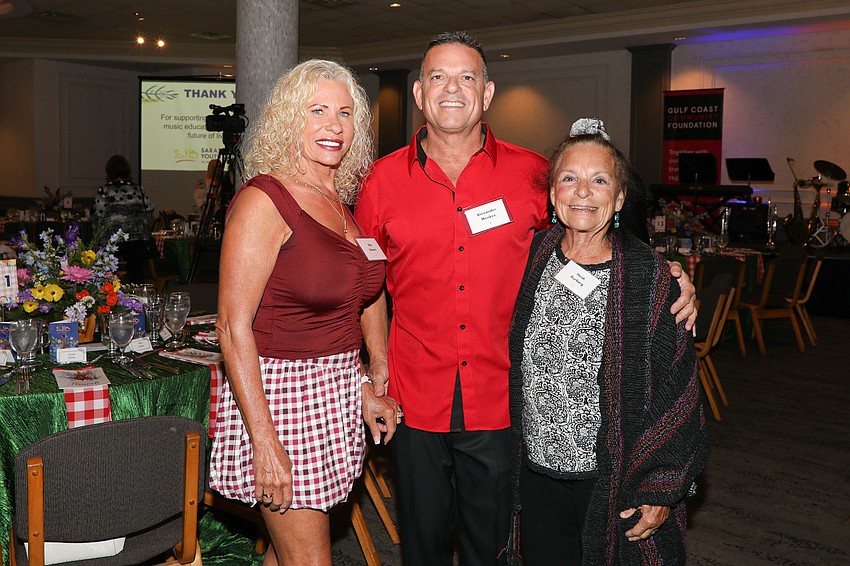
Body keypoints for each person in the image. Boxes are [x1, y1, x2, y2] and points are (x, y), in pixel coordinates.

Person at [355, 32, 697, 565]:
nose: (453, 89)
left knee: (492, 548)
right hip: (414, 394)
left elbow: (589, 225)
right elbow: (366, 282)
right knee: (419, 547)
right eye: (438, 77)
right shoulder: (380, 181)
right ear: (419, 93)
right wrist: (376, 360)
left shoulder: (531, 174)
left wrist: (667, 275)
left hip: (504, 402)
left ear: (487, 93)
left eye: (467, 77)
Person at [209, 60, 401, 565]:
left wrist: (368, 377)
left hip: (334, 396)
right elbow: (231, 328)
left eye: (344, 113)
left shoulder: (339, 202)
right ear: (290, 118)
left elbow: (360, 295)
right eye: (317, 111)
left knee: (287, 552)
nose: (333, 125)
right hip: (279, 400)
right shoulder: (264, 199)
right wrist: (264, 442)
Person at [506, 119, 709, 565]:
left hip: (615, 479)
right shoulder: (531, 256)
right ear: (551, 193)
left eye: (599, 180)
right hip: (537, 471)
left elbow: (679, 387)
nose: (582, 192)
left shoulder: (651, 277)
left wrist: (662, 485)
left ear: (618, 198)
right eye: (569, 178)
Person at [94, 155, 154, 284]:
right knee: (137, 273)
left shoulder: (104, 190)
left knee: (110, 274)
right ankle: (138, 300)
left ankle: (112, 299)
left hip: (114, 237)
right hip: (137, 237)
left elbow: (99, 214)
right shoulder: (138, 188)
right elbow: (149, 209)